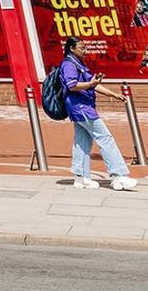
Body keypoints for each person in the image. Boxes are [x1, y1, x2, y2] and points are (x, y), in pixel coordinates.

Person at [59, 37, 137, 191]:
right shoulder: (68, 65)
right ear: (72, 49)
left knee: (82, 142)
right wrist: (90, 84)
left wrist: (112, 94)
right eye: (81, 48)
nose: (85, 51)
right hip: (81, 108)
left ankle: (81, 178)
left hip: (80, 108)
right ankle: (118, 176)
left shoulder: (77, 64)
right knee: (105, 138)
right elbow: (72, 85)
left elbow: (93, 85)